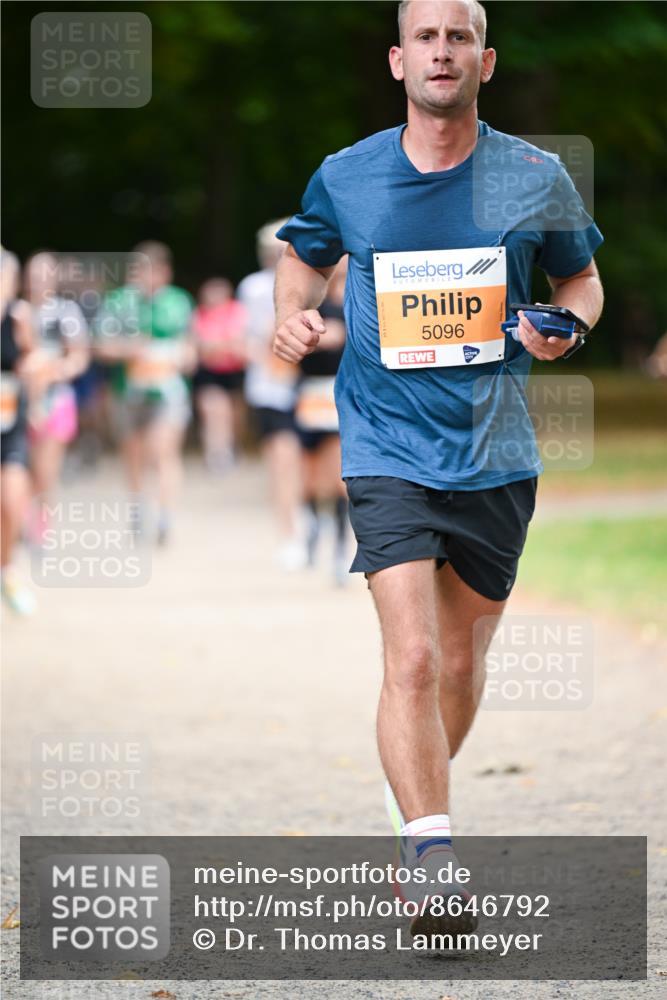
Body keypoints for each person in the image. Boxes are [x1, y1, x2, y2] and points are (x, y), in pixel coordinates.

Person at [274, 0, 604, 939]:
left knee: (459, 662)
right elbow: (303, 257)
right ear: (397, 59)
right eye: (426, 36)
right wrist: (290, 315)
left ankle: (413, 804)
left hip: (496, 451)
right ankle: (432, 855)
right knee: (412, 656)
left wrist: (565, 327)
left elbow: (579, 281)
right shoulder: (348, 175)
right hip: (383, 443)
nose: (442, 51)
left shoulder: (533, 176)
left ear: (485, 59)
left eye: (459, 37)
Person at [95, 242, 194, 545]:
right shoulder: (118, 302)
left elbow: (191, 350)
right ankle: (138, 509)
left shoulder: (179, 301)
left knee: (163, 450)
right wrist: (130, 349)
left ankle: (165, 515)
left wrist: (178, 358)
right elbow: (100, 346)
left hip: (168, 393)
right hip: (129, 392)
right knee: (134, 455)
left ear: (165, 272)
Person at [238, 221, 305, 571]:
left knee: (309, 460)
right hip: (271, 384)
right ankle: (289, 533)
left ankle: (307, 519)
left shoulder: (313, 281)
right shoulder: (254, 288)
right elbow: (249, 339)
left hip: (307, 383)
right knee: (281, 461)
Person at [23, 252, 89, 542]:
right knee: (17, 468)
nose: (37, 281)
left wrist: (53, 371)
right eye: (33, 275)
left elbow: (79, 357)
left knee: (45, 471)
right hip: (17, 402)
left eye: (43, 275)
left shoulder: (66, 312)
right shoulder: (17, 311)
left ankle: (40, 529)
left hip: (55, 401)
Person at [295, 257, 349, 585]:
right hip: (310, 394)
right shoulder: (313, 301)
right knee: (311, 477)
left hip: (340, 392)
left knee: (338, 476)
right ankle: (314, 529)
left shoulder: (363, 299)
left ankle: (341, 550)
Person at [1, 251, 37, 614]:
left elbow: (32, 358)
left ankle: (6, 569)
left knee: (11, 502)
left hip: (9, 422)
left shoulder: (19, 317)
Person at [192, 277, 248, 474]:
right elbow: (200, 347)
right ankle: (216, 453)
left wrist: (217, 346)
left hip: (233, 372)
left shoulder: (236, 311)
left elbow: (240, 343)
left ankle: (231, 446)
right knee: (214, 411)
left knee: (234, 416)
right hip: (209, 373)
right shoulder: (200, 314)